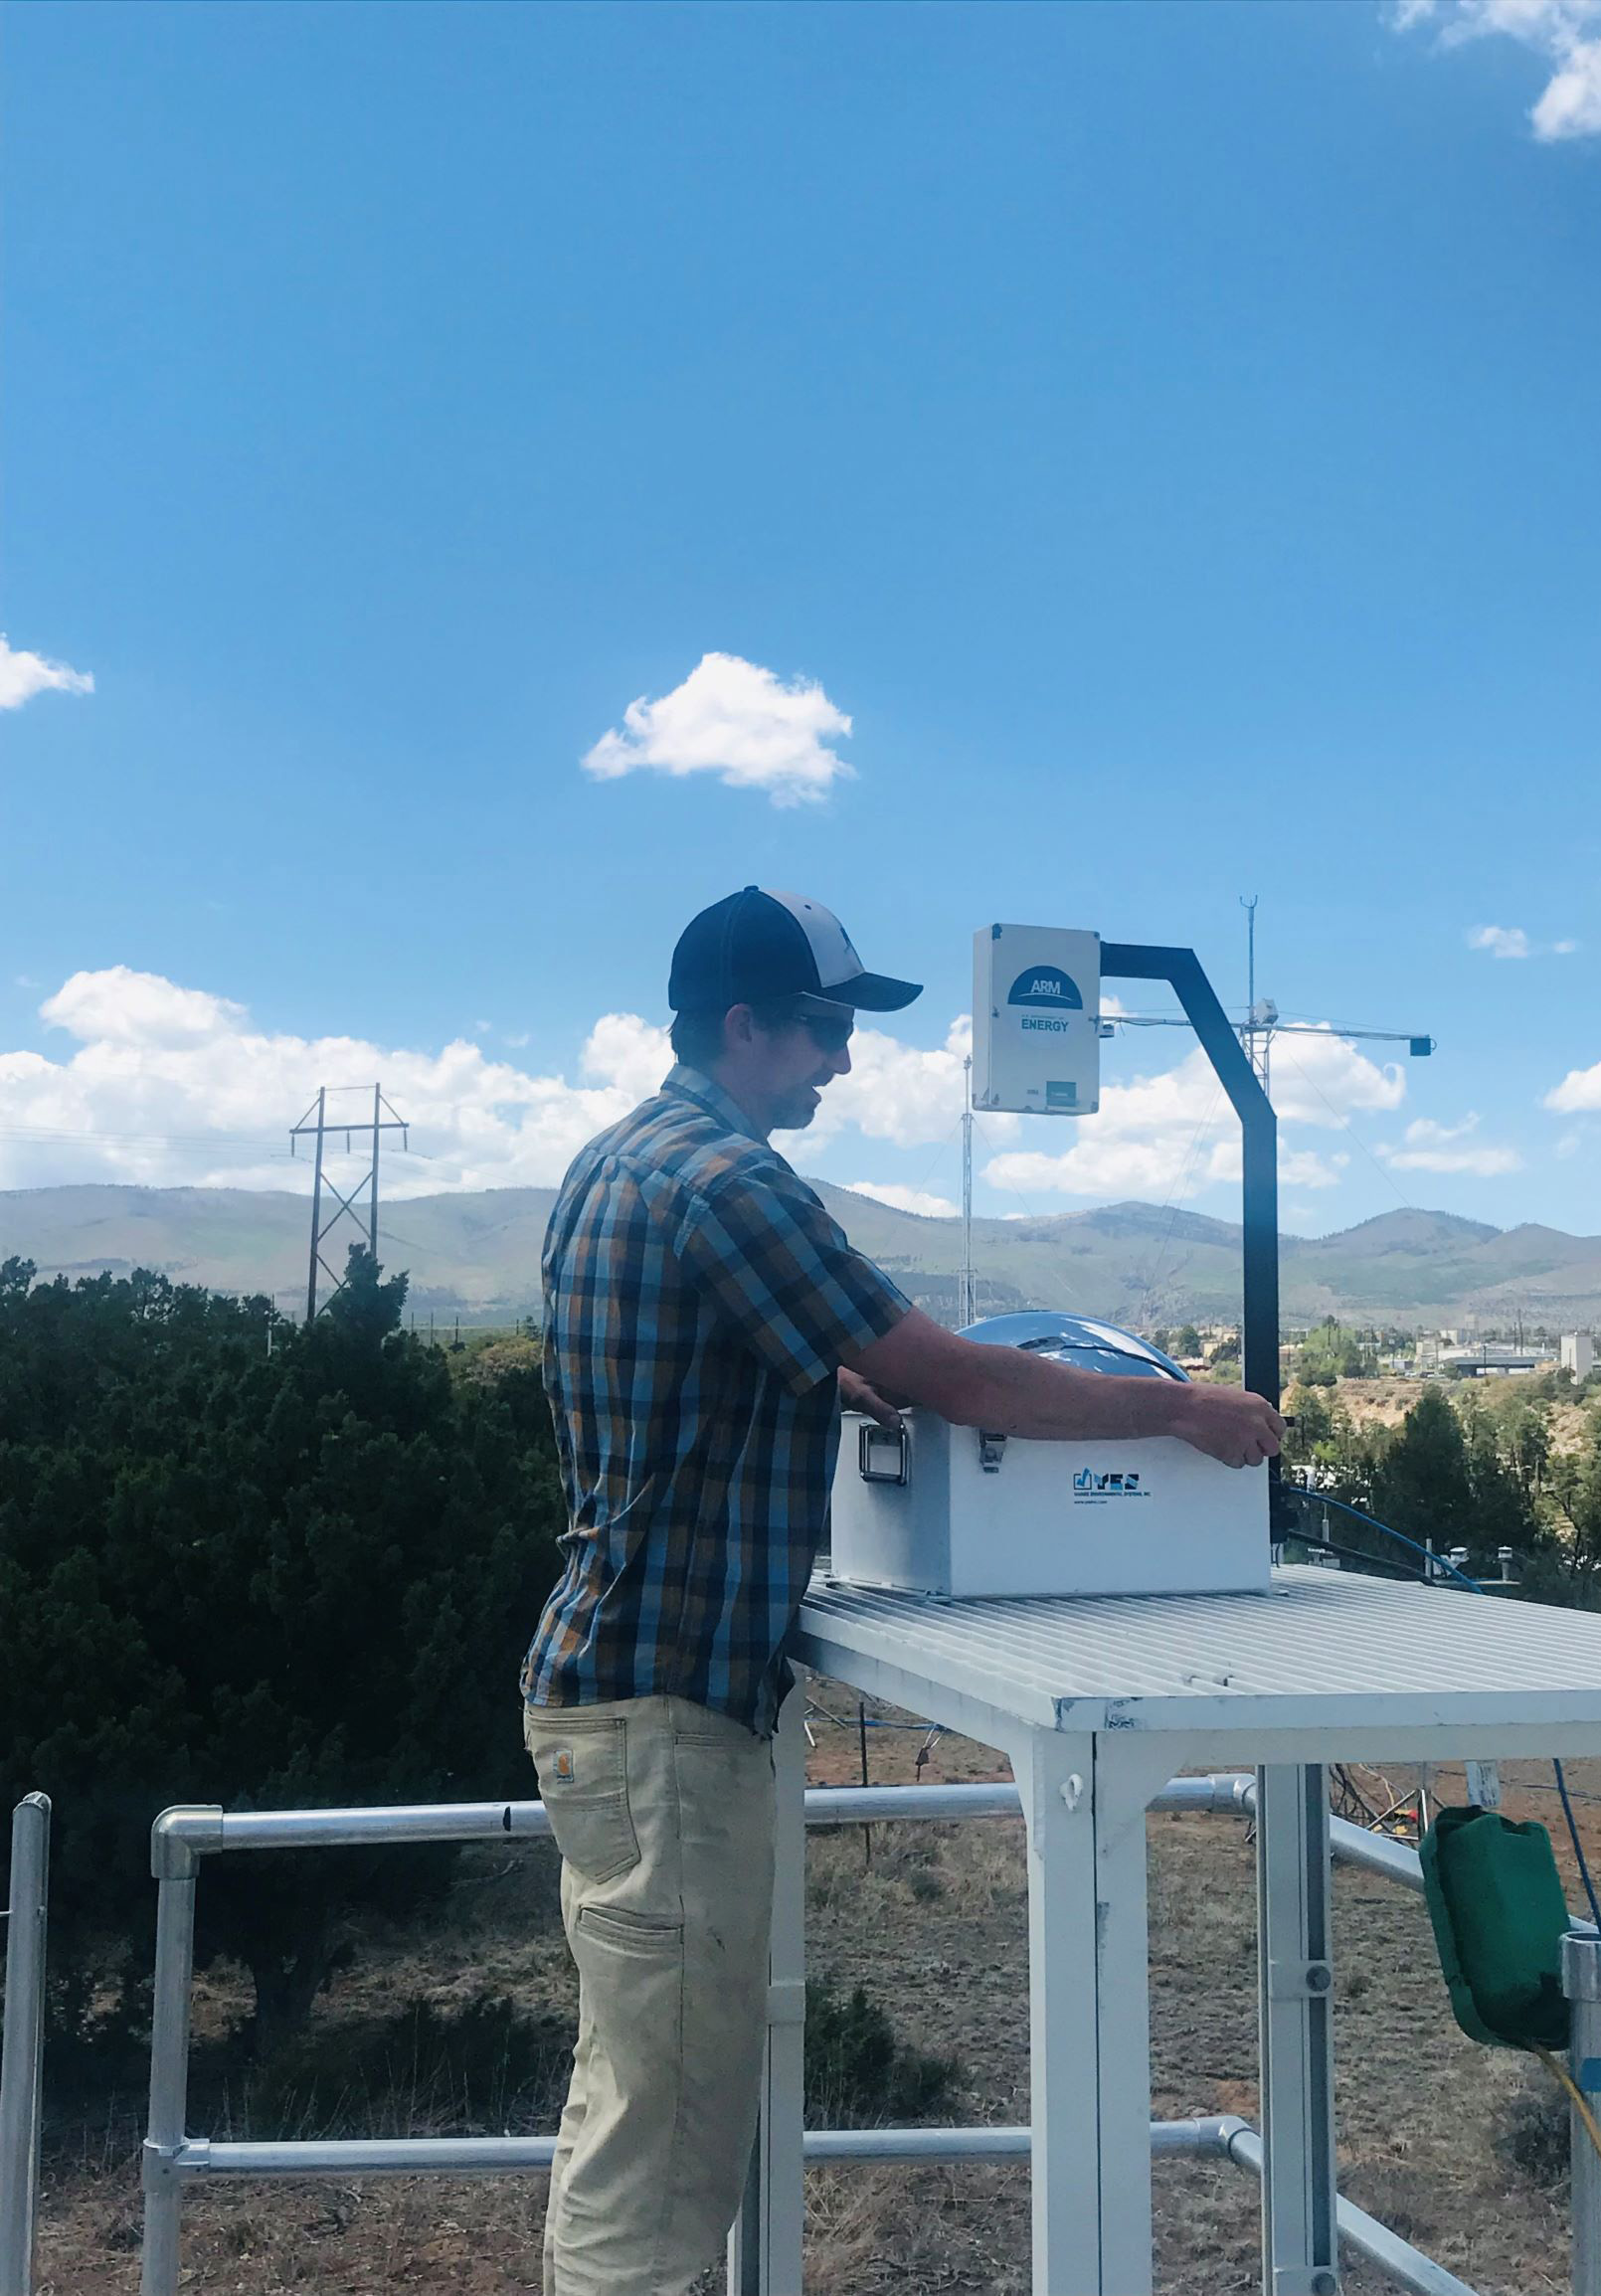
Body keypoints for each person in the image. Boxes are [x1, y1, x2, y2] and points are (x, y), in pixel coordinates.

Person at [519, 887, 1282, 2294]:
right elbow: (964, 1376)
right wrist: (1175, 1416)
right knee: (667, 2142)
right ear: (743, 1025)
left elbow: (746, 1364)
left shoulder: (618, 1160)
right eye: (819, 1029)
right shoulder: (730, 1182)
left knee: (635, 2095)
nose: (841, 1061)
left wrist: (835, 1373)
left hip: (615, 1695)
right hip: (669, 1712)